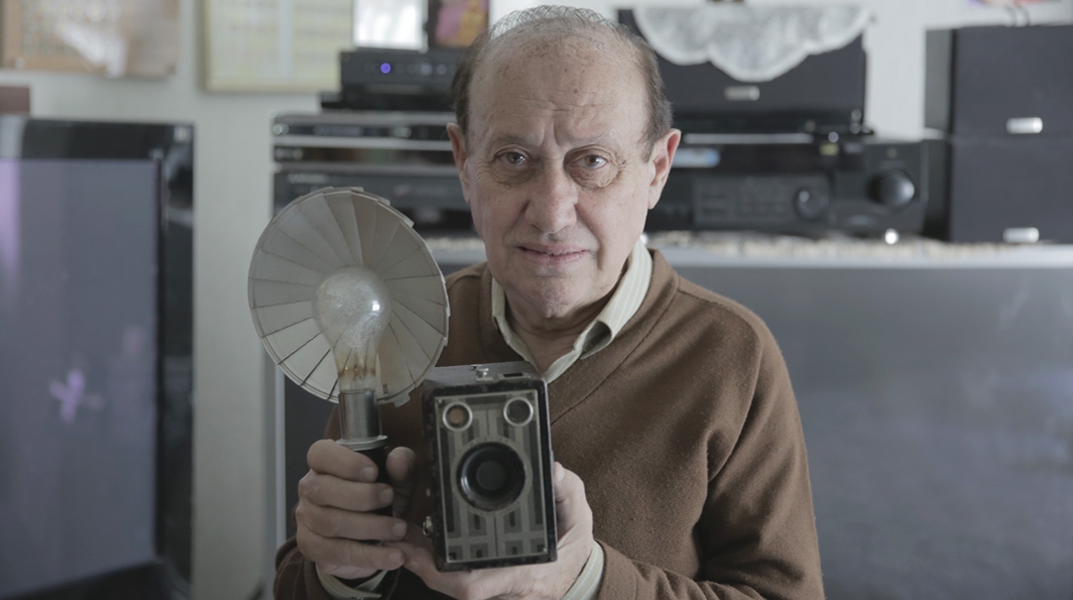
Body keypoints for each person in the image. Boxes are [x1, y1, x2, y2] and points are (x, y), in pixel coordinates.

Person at [274, 6, 824, 599]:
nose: (552, 211)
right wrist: (341, 572)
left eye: (591, 162)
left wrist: (584, 580)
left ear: (656, 168)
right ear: (464, 163)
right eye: (514, 159)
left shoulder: (732, 354)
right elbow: (295, 584)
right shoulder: (392, 328)